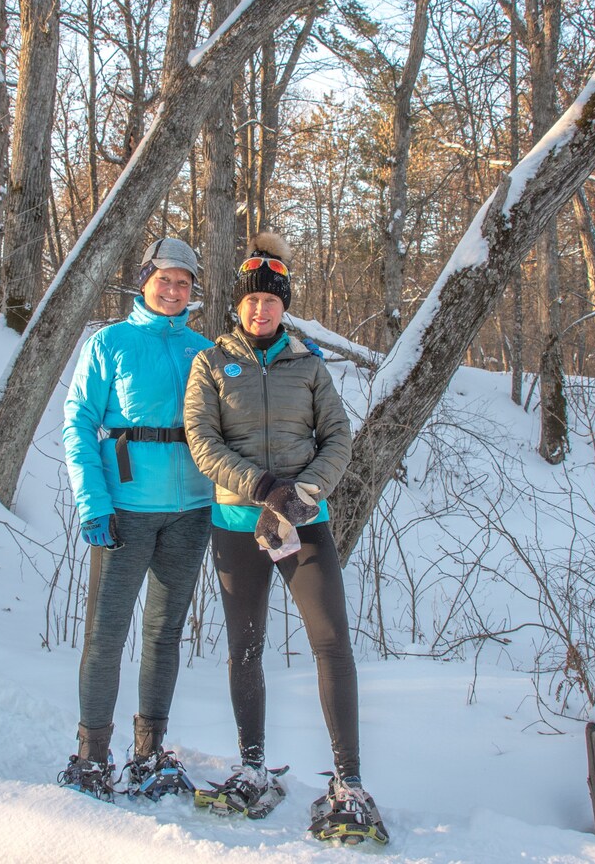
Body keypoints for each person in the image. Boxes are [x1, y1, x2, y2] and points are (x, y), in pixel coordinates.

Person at [184, 232, 384, 834]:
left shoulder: (309, 364)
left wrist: (301, 494)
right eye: (252, 300)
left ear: (284, 305)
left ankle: (348, 782)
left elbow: (339, 440)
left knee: (331, 643)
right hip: (239, 523)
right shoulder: (212, 363)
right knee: (244, 647)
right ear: (237, 305)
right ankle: (253, 769)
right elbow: (203, 441)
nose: (261, 309)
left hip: (305, 524)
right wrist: (263, 486)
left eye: (272, 300)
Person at [59, 237, 213, 800]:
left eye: (184, 283)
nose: (173, 291)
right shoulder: (111, 342)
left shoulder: (203, 349)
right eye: (164, 279)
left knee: (164, 634)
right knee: (105, 635)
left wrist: (296, 356)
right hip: (124, 511)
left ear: (193, 292)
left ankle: (149, 751)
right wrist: (92, 503)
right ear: (144, 280)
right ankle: (92, 756)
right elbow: (76, 425)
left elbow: (247, 398)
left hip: (192, 512)